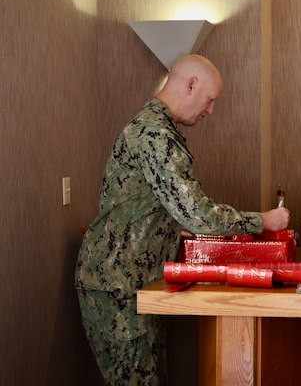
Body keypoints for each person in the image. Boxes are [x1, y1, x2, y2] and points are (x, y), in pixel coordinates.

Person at [74, 54, 290, 385]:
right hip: (117, 282)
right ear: (191, 85)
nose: (210, 111)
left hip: (130, 280)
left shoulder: (155, 127)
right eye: (210, 100)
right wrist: (263, 221)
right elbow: (198, 214)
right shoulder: (155, 134)